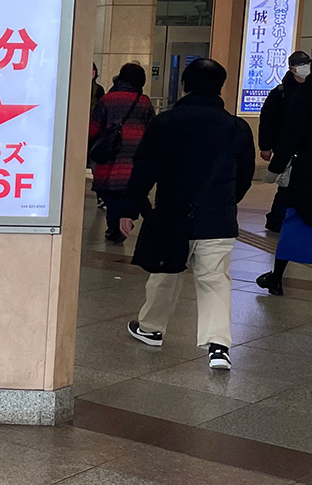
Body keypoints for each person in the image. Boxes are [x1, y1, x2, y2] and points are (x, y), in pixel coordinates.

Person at [120, 58, 255, 371]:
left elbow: (144, 170)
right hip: (217, 220)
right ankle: (218, 346)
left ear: (185, 85)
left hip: (172, 214)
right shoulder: (237, 127)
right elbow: (244, 175)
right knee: (215, 281)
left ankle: (151, 328)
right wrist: (226, 202)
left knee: (165, 274)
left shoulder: (166, 122)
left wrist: (129, 209)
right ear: (220, 86)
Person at [258, 68, 312, 296]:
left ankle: (276, 277)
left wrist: (276, 167)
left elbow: (293, 133)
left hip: (307, 172)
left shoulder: (307, 93)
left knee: (295, 221)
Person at [88, 62, 155, 244]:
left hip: (110, 156)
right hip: (136, 156)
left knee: (111, 194)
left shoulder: (108, 100)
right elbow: (152, 130)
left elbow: (93, 128)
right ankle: (143, 223)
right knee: (135, 191)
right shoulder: (144, 102)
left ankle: (116, 227)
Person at [259, 51, 311, 232]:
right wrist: (265, 146)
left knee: (292, 187)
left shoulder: (307, 92)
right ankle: (276, 219)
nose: (306, 67)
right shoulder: (280, 92)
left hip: (300, 149)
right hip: (286, 146)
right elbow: (267, 119)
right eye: (302, 64)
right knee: (286, 187)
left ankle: (280, 219)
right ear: (292, 68)